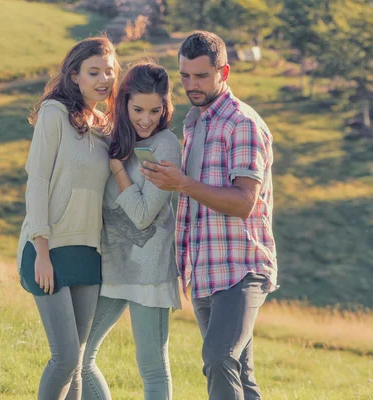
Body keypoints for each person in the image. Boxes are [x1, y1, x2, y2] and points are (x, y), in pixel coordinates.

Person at [141, 31, 278, 400]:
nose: (191, 85)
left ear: (224, 72)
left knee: (218, 358)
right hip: (203, 268)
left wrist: (182, 183)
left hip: (241, 268)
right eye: (185, 76)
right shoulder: (194, 123)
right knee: (238, 373)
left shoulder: (242, 123)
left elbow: (243, 202)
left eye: (201, 76)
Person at [16, 36, 120, 400]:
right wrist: (41, 251)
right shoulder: (53, 114)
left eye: (109, 71)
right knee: (63, 358)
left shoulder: (106, 126)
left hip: (88, 253)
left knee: (76, 364)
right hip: (50, 249)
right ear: (75, 75)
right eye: (94, 72)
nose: (103, 79)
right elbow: (38, 181)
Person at [81, 62, 182, 400]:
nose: (146, 119)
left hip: (149, 270)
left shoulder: (164, 145)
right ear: (123, 102)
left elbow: (141, 215)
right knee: (77, 358)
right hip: (110, 265)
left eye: (155, 110)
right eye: (138, 109)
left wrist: (118, 171)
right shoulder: (110, 136)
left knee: (152, 369)